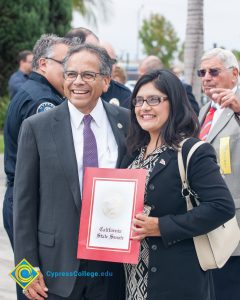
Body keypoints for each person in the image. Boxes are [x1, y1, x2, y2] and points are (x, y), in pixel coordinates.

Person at [13, 44, 129, 300]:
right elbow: (22, 204)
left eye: (88, 75)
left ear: (106, 81)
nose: (78, 82)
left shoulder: (127, 122)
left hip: (112, 267)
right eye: (71, 74)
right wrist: (25, 273)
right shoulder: (36, 127)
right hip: (55, 269)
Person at [121, 69, 235, 300]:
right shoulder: (133, 152)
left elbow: (221, 207)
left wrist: (162, 226)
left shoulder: (192, 150)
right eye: (139, 101)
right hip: (132, 279)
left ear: (173, 103)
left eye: (154, 99)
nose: (144, 107)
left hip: (175, 280)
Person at [3, 34, 75, 249]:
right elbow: (53, 162)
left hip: (21, 200)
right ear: (43, 63)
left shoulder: (33, 91)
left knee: (27, 278)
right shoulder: (42, 101)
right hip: (29, 205)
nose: (71, 72)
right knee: (35, 278)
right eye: (66, 64)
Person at [198, 47, 240, 300]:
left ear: (234, 74)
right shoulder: (205, 112)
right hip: (207, 222)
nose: (206, 77)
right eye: (201, 72)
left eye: (214, 71)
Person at [65, 27, 131, 108]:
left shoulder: (123, 95)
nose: (78, 82)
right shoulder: (57, 91)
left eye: (113, 61)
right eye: (92, 50)